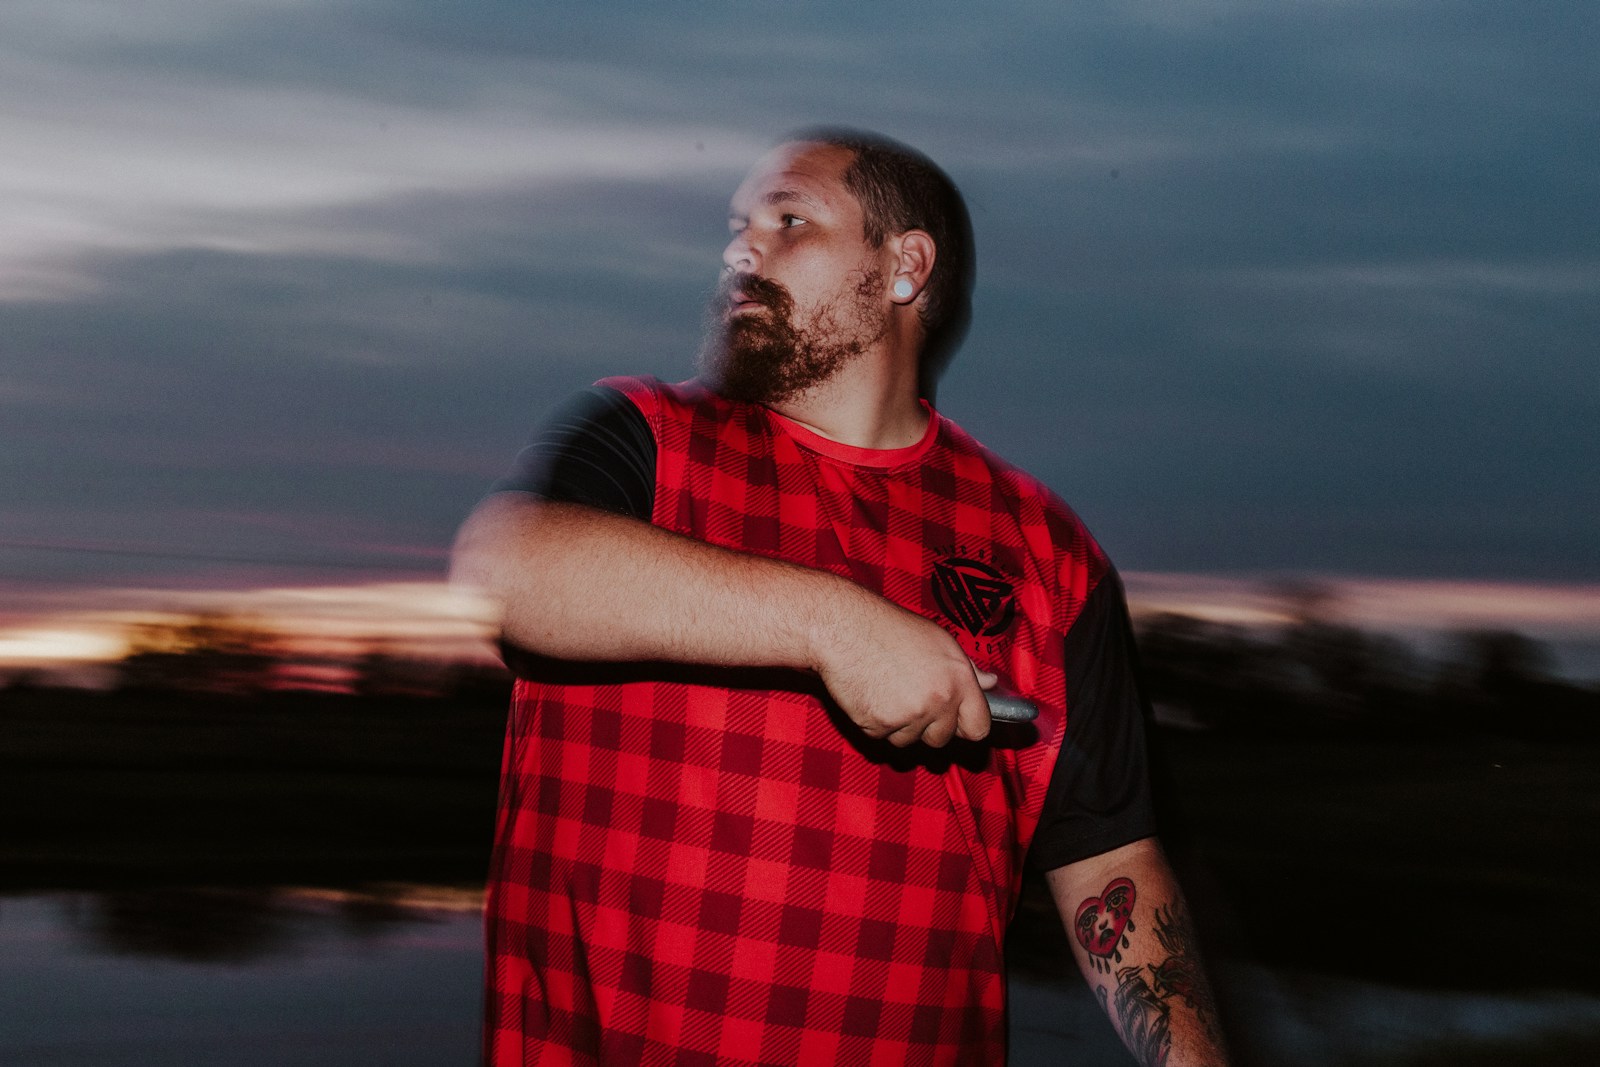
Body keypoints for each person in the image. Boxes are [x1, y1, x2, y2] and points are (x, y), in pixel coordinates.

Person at [452, 128, 1229, 1066]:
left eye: (789, 220)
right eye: (737, 227)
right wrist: (834, 624)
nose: (742, 248)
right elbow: (515, 571)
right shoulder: (644, 437)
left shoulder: (1047, 554)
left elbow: (1113, 867)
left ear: (904, 266)